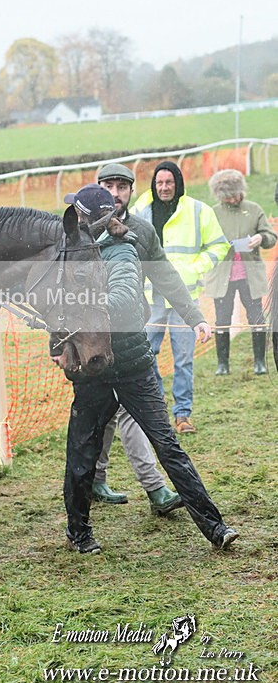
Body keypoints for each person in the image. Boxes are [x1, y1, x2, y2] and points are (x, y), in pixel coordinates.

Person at [53, 184, 238, 554]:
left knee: (168, 445)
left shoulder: (122, 250)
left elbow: (122, 300)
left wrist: (81, 304)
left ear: (93, 220)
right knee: (81, 452)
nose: (72, 218)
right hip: (93, 370)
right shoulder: (72, 253)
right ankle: (79, 534)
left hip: (134, 365)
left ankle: (215, 528)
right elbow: (54, 307)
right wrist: (55, 342)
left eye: (78, 213)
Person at [91, 162, 211, 514]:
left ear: (131, 191)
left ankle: (156, 488)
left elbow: (166, 276)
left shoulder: (141, 231)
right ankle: (94, 479)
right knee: (102, 412)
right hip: (91, 339)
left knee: (129, 410)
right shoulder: (78, 228)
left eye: (121, 187)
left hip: (129, 336)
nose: (115, 193)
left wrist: (194, 317)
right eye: (108, 185)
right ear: (97, 187)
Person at [132, 161, 229, 433]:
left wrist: (194, 268)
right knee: (145, 355)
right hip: (150, 300)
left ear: (178, 183)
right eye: (159, 183)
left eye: (169, 183)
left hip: (185, 299)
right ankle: (154, 410)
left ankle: (183, 415)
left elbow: (220, 244)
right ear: (154, 184)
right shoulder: (139, 211)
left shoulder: (199, 211)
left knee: (183, 359)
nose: (164, 188)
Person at [205, 169, 277, 376]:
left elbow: (270, 236)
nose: (232, 198)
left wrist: (261, 239)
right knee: (222, 319)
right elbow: (204, 241)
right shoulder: (213, 213)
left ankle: (260, 362)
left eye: (234, 193)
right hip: (222, 277)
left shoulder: (254, 210)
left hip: (250, 276)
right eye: (226, 195)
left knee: (256, 317)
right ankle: (222, 364)